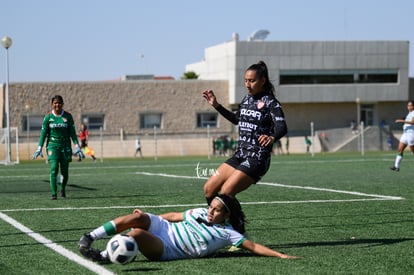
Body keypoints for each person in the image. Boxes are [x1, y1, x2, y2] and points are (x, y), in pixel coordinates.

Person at [78, 194, 299, 263]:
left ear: (227, 215)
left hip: (168, 247)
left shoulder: (229, 233)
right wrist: (147, 217)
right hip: (164, 228)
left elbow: (253, 246)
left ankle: (104, 255)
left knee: (135, 234)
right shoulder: (201, 212)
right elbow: (173, 216)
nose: (210, 212)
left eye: (216, 210)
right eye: (210, 207)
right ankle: (90, 237)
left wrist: (280, 254)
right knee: (139, 218)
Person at [202, 61, 287, 206]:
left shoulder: (271, 102)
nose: (248, 84)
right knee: (209, 189)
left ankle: (237, 226)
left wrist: (272, 137)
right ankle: (220, 223)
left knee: (226, 192)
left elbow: (282, 126)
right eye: (246, 81)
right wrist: (217, 106)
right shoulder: (247, 99)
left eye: (252, 81)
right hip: (240, 155)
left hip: (257, 158)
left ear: (262, 81)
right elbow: (236, 119)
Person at [32, 95, 85, 199]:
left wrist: (77, 146)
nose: (57, 105)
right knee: (54, 168)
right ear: (52, 104)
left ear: (62, 104)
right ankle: (53, 193)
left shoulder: (68, 116)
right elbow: (43, 134)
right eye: (55, 103)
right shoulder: (48, 117)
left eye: (59, 103)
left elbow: (72, 133)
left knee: (64, 172)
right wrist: (39, 148)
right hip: (52, 145)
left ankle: (63, 189)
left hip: (65, 146)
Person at [390, 100, 414, 171]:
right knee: (400, 149)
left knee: (413, 151)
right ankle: (396, 166)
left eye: (410, 105)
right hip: (405, 133)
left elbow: (413, 122)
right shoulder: (409, 113)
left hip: (411, 134)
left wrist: (402, 121)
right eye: (408, 105)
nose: (409, 107)